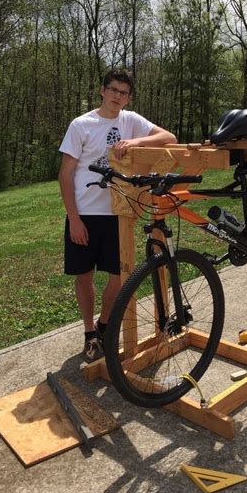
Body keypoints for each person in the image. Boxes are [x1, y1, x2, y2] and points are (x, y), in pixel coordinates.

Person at [58, 68, 177, 363]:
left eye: (123, 93)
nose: (118, 97)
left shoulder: (131, 121)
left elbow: (168, 137)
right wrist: (73, 218)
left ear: (128, 97)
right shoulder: (82, 125)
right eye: (113, 90)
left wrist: (135, 142)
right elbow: (65, 174)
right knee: (83, 276)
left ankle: (104, 325)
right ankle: (89, 332)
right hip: (85, 213)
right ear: (102, 90)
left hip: (118, 213)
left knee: (118, 276)